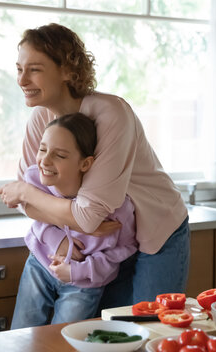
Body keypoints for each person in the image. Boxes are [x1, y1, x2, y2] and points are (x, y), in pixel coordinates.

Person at [0, 23, 190, 310]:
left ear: (68, 70)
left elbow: (77, 214)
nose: (22, 79)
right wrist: (60, 227)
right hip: (107, 244)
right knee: (107, 335)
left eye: (34, 69)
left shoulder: (111, 113)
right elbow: (27, 205)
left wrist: (25, 191)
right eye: (19, 69)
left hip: (156, 231)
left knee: (148, 329)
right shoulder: (39, 119)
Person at [10, 113, 137, 328]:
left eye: (59, 155)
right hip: (40, 264)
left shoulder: (115, 205)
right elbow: (35, 216)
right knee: (21, 333)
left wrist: (79, 271)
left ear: (85, 163)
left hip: (83, 283)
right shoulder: (34, 179)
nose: (45, 160)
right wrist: (56, 238)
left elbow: (123, 250)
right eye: (42, 149)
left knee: (64, 340)